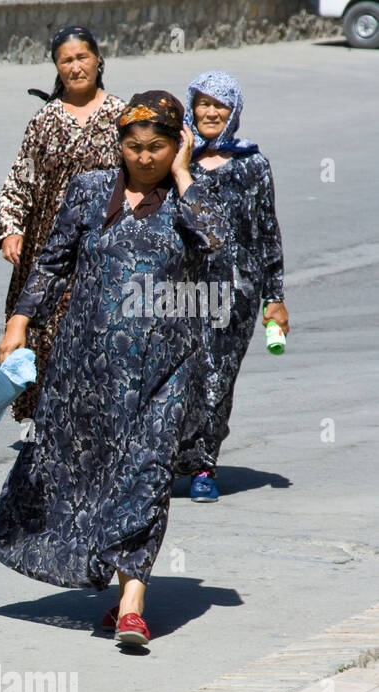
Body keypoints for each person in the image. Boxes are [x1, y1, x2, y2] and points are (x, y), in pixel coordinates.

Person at [0, 91, 225, 646]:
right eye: (134, 146)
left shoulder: (193, 197)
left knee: (144, 475)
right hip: (84, 368)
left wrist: (186, 173)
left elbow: (218, 246)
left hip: (166, 369)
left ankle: (135, 602)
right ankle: (121, 592)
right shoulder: (92, 190)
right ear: (119, 144)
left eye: (159, 147)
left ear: (178, 144)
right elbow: (51, 263)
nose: (144, 157)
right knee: (93, 477)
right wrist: (19, 321)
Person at [0, 25, 125, 422]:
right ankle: (44, 421)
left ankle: (94, 419)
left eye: (82, 57)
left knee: (94, 332)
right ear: (57, 67)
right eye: (66, 60)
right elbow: (21, 177)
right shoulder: (45, 120)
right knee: (42, 332)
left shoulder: (122, 116)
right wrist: (12, 228)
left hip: (103, 242)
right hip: (47, 247)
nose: (75, 67)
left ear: (98, 60)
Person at [174, 70, 288, 502]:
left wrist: (274, 297)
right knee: (176, 373)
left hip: (235, 293)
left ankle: (204, 467)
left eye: (219, 104)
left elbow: (266, 232)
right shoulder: (175, 158)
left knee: (216, 379)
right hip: (179, 288)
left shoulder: (253, 164)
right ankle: (163, 461)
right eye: (202, 102)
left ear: (234, 110)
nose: (209, 111)